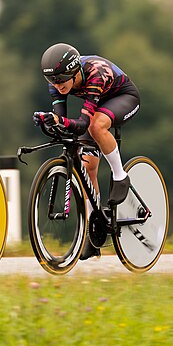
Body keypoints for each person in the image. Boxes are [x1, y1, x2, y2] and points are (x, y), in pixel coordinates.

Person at [33, 43, 140, 261]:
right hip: (98, 105)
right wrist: (51, 121)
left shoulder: (95, 74)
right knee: (87, 167)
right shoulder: (56, 83)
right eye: (53, 81)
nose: (58, 85)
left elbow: (82, 124)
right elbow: (62, 121)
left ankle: (120, 175)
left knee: (96, 126)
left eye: (62, 80)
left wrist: (62, 122)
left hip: (123, 97)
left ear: (73, 71)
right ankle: (94, 231)